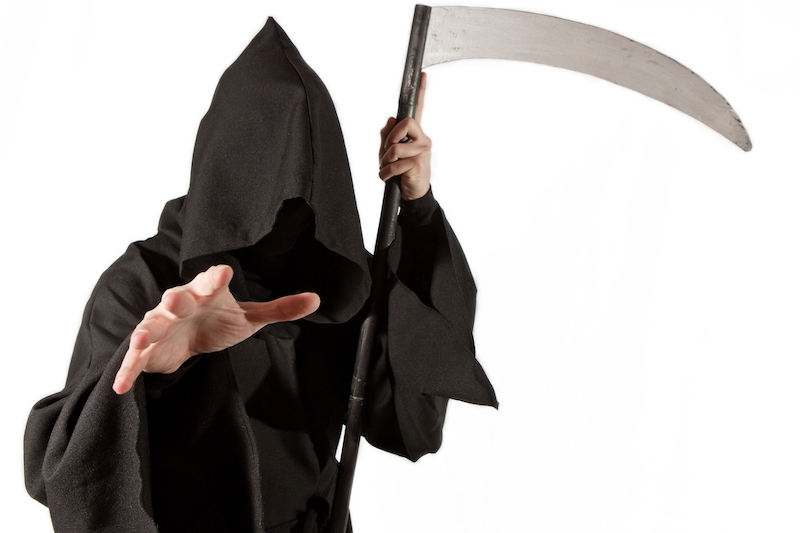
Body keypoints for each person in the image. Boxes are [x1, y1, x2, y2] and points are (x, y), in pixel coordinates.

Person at [24, 17, 496, 532]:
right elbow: (67, 472)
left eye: (300, 192)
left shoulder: (334, 284)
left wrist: (418, 209)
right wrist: (150, 377)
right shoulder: (145, 283)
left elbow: (414, 422)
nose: (280, 215)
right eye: (264, 184)